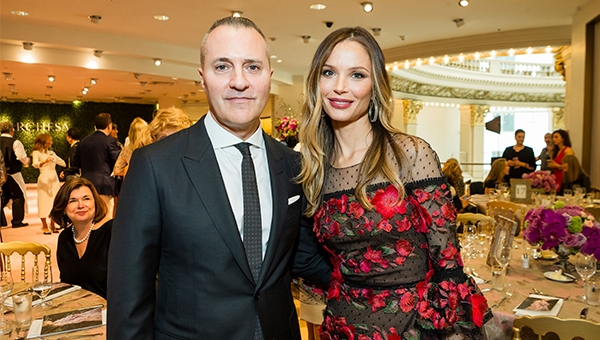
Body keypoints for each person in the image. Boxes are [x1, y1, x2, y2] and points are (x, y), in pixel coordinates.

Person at [107, 17, 331, 340]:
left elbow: (303, 257)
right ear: (202, 78)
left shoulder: (292, 165)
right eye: (223, 67)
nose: (239, 81)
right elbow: (128, 298)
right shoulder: (154, 166)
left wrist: (385, 276)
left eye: (252, 67)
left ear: (269, 75)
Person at [298, 27, 491, 339]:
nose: (340, 87)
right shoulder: (313, 167)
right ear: (316, 82)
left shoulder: (411, 154)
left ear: (375, 86)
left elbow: (448, 267)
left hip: (414, 325)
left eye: (357, 75)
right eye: (329, 72)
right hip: (342, 325)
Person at [49, 177, 112, 299]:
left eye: (86, 199)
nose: (81, 205)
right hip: (75, 312)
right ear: (63, 208)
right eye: (72, 200)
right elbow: (65, 284)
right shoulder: (65, 238)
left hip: (110, 311)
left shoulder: (112, 231)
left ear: (95, 202)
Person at [72, 113, 121, 218]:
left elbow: (75, 164)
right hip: (104, 186)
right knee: (105, 219)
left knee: (89, 218)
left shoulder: (83, 142)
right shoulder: (110, 141)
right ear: (109, 126)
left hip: (86, 185)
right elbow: (118, 161)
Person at [31, 134, 66, 234]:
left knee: (55, 202)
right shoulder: (36, 153)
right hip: (44, 180)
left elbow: (61, 162)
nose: (52, 142)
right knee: (43, 202)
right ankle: (44, 225)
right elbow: (35, 165)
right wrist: (45, 161)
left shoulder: (52, 153)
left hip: (54, 180)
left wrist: (69, 165)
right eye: (50, 141)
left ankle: (53, 223)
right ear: (44, 142)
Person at [0, 122, 30, 228]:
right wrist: (27, 161)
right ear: (12, 130)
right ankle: (17, 221)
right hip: (13, 174)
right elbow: (21, 156)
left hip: (1, 175)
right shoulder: (15, 142)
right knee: (18, 196)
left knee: (4, 196)